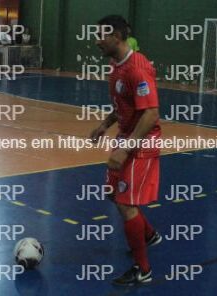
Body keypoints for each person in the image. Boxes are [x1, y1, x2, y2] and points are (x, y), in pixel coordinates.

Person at [90, 15, 161, 286]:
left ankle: (143, 270)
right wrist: (105, 125)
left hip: (143, 141)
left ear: (116, 36)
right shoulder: (115, 65)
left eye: (101, 36)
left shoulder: (137, 69)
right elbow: (123, 102)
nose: (97, 41)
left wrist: (126, 148)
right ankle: (150, 235)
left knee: (125, 203)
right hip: (125, 136)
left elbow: (151, 112)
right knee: (114, 194)